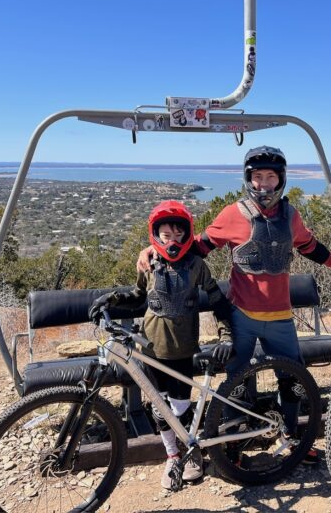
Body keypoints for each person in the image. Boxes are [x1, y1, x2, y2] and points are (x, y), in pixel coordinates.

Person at [138, 145, 331, 464]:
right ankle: (233, 449)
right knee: (237, 384)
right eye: (258, 177)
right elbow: (195, 247)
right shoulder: (232, 214)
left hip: (281, 317)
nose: (264, 184)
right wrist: (153, 250)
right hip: (241, 315)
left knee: (292, 381)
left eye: (271, 176)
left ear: (280, 179)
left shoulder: (290, 216)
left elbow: (311, 247)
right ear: (248, 179)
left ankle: (292, 438)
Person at [90, 200, 233, 490]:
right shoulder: (150, 263)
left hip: (182, 349)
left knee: (179, 407)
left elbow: (217, 300)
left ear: (186, 234)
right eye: (165, 235)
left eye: (178, 235)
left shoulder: (196, 265)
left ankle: (192, 452)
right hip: (151, 348)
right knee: (159, 407)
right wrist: (112, 298)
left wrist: (225, 335)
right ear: (156, 234)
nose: (171, 240)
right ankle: (172, 454)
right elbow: (138, 296)